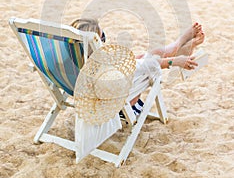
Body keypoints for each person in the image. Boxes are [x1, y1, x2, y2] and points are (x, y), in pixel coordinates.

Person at [70, 18, 205, 113]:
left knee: (141, 58)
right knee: (149, 60)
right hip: (119, 107)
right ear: (93, 45)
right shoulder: (101, 66)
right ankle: (177, 47)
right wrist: (174, 62)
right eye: (101, 39)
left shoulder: (71, 62)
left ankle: (176, 47)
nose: (104, 41)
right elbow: (147, 65)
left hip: (97, 94)